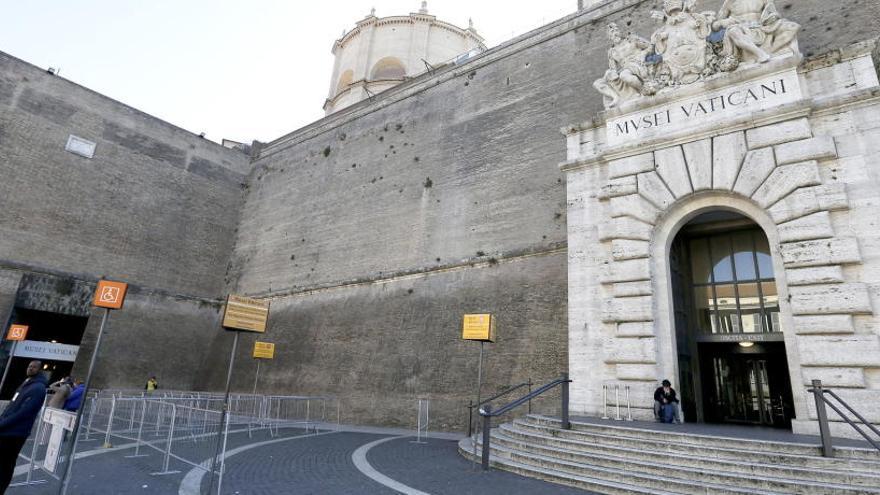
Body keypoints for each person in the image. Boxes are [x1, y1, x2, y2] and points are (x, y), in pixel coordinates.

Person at [0, 360, 48, 492]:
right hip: (6, 430)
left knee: (6, 465)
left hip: (15, 434)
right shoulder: (26, 383)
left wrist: (2, 424)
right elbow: (12, 405)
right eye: (29, 366)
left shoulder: (38, 388)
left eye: (34, 367)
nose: (30, 368)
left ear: (39, 370)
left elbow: (24, 413)